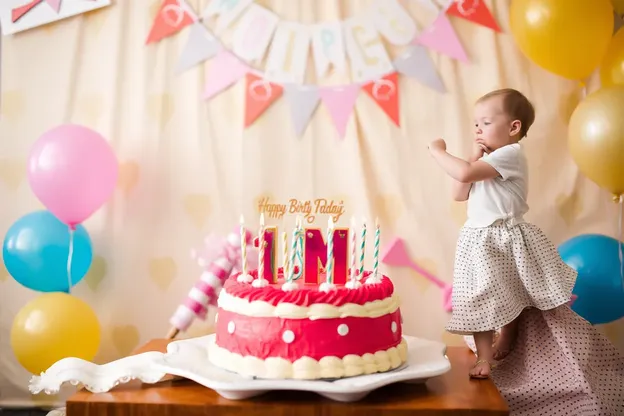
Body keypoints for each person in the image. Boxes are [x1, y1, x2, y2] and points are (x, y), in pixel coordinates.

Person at [427, 88, 624, 415]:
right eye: (475, 124)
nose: (478, 129)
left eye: (486, 122)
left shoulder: (510, 154)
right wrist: (471, 155)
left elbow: (461, 172)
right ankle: (484, 359)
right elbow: (459, 191)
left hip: (504, 237)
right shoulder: (486, 160)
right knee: (481, 299)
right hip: (478, 239)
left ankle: (510, 332)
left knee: (509, 292)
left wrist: (438, 152)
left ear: (513, 127)